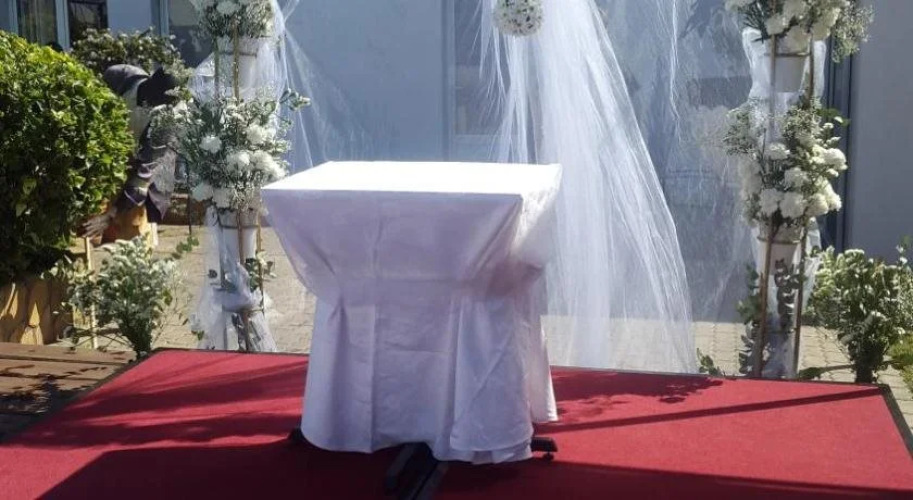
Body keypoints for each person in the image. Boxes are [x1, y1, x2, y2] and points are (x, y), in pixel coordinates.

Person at [82, 65, 180, 245]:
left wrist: (111, 215)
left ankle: (138, 250)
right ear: (149, 87)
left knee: (134, 232)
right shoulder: (118, 77)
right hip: (106, 156)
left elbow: (141, 181)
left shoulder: (165, 127)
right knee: (91, 224)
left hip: (141, 164)